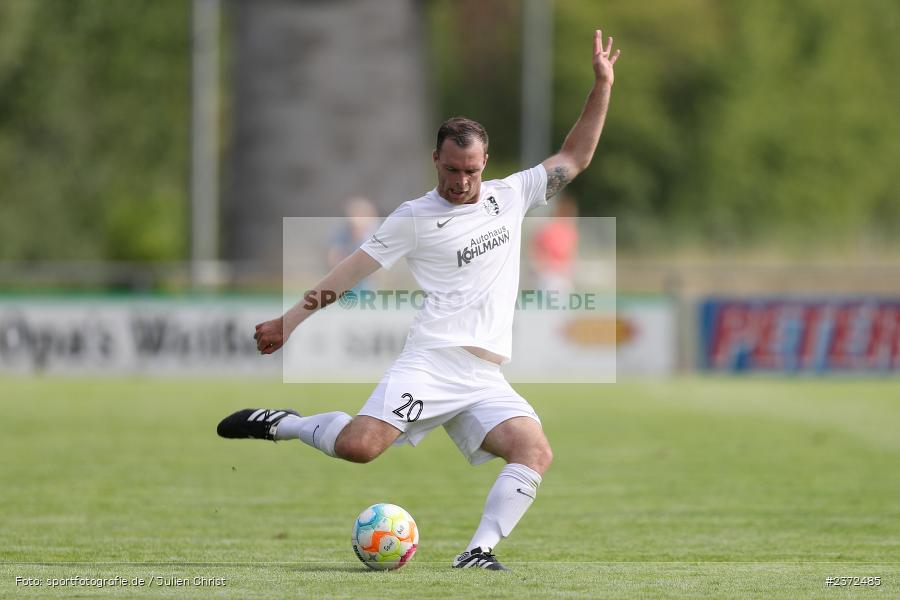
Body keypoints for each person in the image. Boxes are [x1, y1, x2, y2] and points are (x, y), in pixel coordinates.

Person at [217, 30, 620, 571]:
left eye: (471, 170)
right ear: (435, 159)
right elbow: (349, 272)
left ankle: (478, 551)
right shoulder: (413, 217)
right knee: (361, 447)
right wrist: (290, 321)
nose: (461, 181)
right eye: (452, 170)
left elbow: (575, 155)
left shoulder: (511, 194)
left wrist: (602, 85)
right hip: (432, 361)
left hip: (484, 376)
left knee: (535, 451)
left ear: (485, 162)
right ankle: (284, 423)